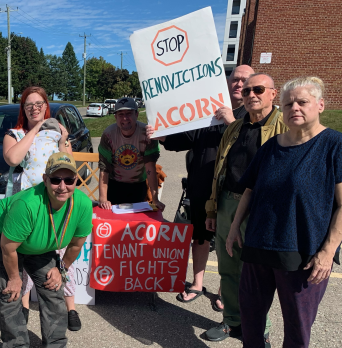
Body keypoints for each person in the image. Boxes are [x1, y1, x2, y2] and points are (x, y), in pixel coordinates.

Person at [227, 77, 342, 348]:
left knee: (297, 327)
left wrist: (327, 253)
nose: (295, 108)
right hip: (258, 246)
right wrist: (234, 228)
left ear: (320, 105)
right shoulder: (270, 147)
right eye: (289, 103)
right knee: (251, 320)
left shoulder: (335, 145)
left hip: (303, 253)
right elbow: (250, 191)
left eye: (302, 102)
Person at [147, 65, 255, 310]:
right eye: (235, 79)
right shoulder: (209, 111)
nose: (239, 84)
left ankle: (223, 291)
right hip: (201, 185)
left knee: (231, 239)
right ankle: (197, 283)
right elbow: (185, 139)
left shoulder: (252, 116)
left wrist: (231, 123)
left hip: (232, 191)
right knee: (200, 235)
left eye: (244, 81)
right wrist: (161, 135)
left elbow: (250, 148)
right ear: (227, 82)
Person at [203, 73, 287, 344]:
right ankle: (232, 322)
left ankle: (259, 328)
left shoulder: (285, 126)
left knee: (256, 273)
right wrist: (213, 210)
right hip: (228, 201)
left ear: (274, 94)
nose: (252, 94)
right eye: (248, 90)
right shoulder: (235, 128)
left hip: (262, 209)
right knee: (228, 267)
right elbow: (220, 171)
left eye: (259, 89)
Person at [0, 152, 93, 347]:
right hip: (1, 236)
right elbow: (8, 249)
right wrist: (15, 278)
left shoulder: (83, 204)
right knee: (11, 294)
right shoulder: (27, 204)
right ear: (45, 179)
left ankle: (55, 343)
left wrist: (61, 269)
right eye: (56, 179)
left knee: (53, 287)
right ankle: (17, 345)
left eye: (69, 179)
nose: (62, 186)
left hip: (38, 243)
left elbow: (76, 244)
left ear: (76, 179)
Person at [2, 86, 82, 330]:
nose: (35, 108)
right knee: (24, 255)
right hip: (28, 205)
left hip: (57, 203)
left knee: (59, 254)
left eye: (39, 104)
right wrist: (36, 128)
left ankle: (70, 307)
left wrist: (63, 139)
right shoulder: (14, 133)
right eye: (29, 105)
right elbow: (13, 159)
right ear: (23, 109)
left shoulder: (57, 134)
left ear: (47, 106)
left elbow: (69, 167)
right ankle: (24, 307)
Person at [98, 97, 164, 210]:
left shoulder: (146, 133)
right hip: (115, 184)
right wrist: (103, 198)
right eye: (120, 114)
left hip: (138, 184)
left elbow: (150, 167)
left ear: (136, 114)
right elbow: (104, 168)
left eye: (129, 113)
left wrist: (155, 199)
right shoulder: (108, 135)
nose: (125, 118)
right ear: (115, 117)